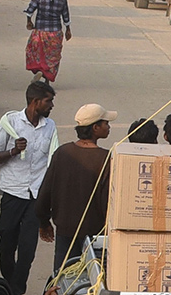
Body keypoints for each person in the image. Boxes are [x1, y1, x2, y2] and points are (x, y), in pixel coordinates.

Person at [0, 80, 58, 295]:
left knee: (27, 250)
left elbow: (51, 161)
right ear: (36, 102)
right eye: (48, 101)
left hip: (35, 196)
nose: (51, 106)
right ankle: (8, 285)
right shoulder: (10, 123)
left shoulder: (50, 127)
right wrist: (13, 151)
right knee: (6, 244)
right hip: (12, 192)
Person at [36, 104, 115, 272]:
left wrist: (44, 222)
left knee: (62, 278)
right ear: (95, 128)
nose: (109, 126)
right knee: (93, 283)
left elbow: (45, 192)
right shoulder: (106, 158)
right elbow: (108, 199)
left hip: (65, 232)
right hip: (96, 236)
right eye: (105, 123)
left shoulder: (62, 153)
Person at [24, 0, 72, 82]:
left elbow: (29, 11)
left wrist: (29, 22)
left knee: (34, 52)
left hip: (40, 32)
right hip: (55, 33)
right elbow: (66, 17)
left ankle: (39, 71)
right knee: (52, 57)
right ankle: (47, 77)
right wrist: (68, 29)